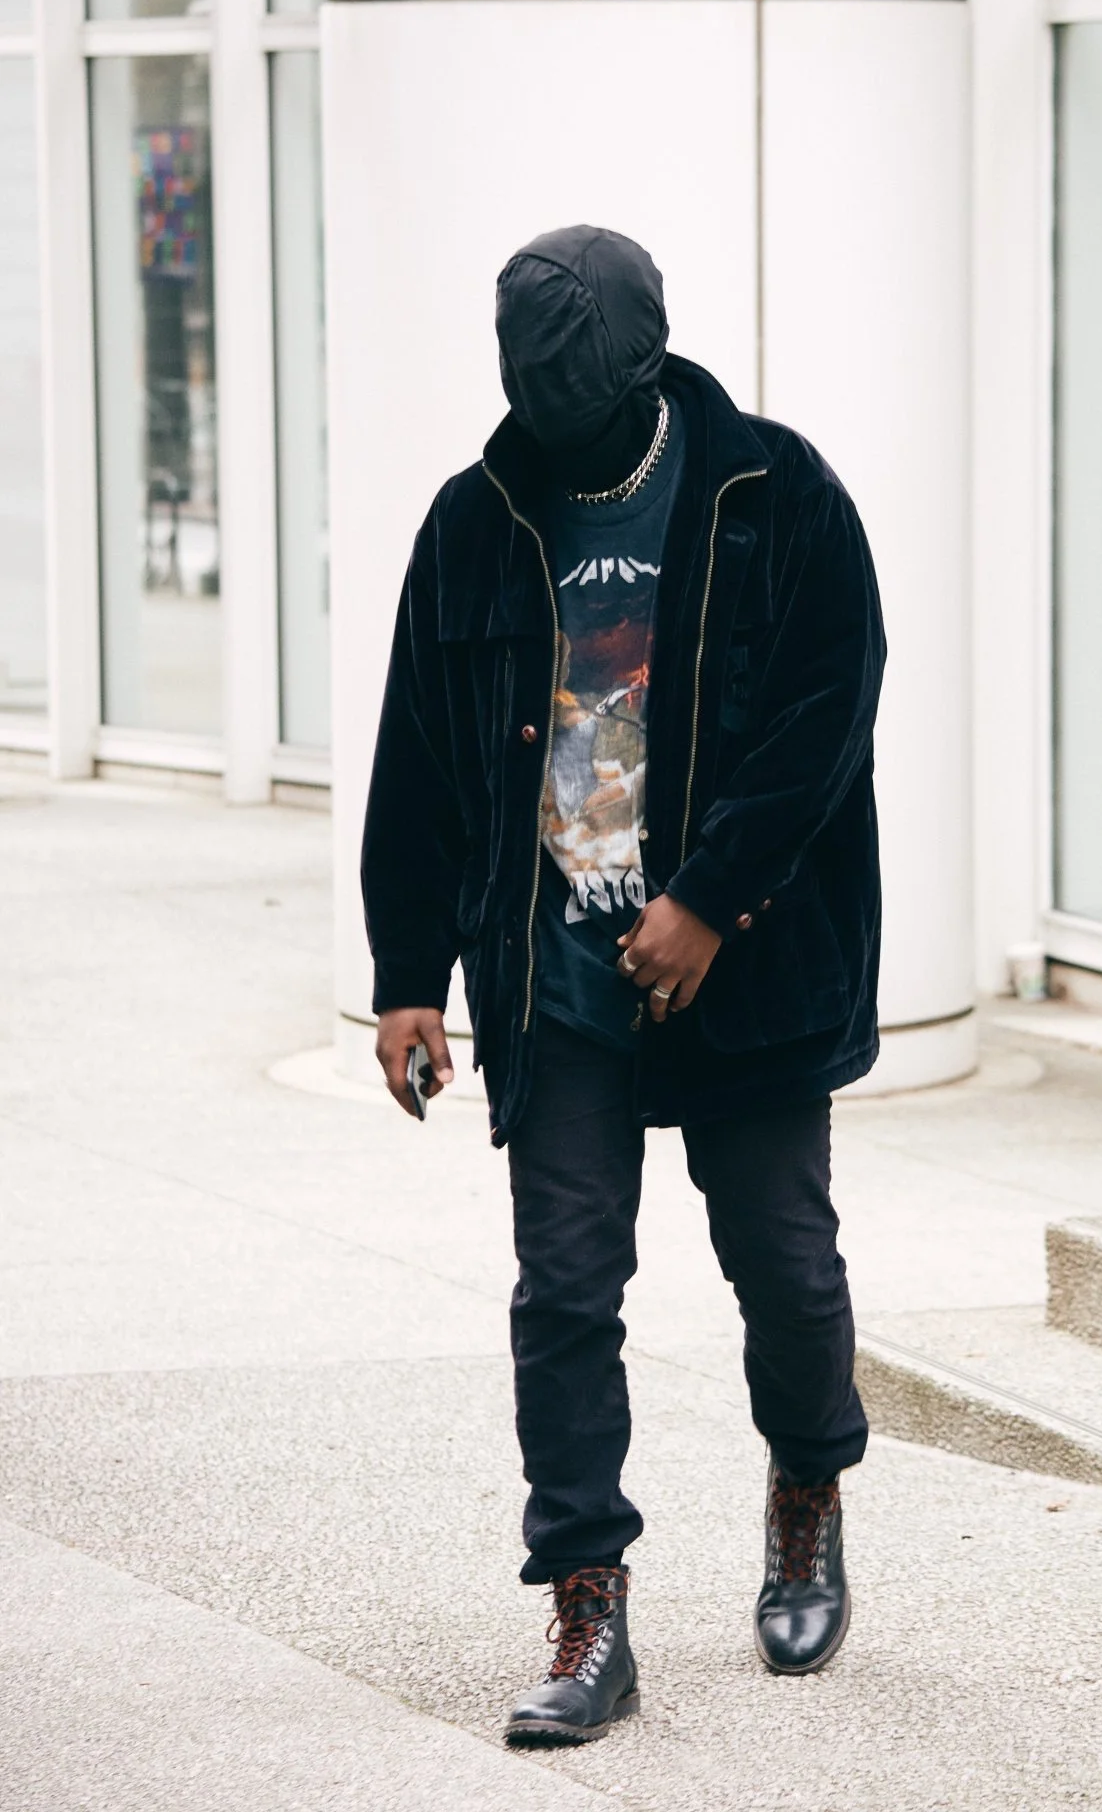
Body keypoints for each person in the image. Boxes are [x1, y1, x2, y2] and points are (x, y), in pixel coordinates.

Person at [362, 224, 886, 1745]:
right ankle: (590, 1599)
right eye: (532, 389)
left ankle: (805, 1485)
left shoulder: (772, 492)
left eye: (578, 392)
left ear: (646, 363)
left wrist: (710, 898)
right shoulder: (475, 522)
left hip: (747, 961)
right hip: (553, 969)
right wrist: (406, 976)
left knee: (785, 1263)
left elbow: (824, 718)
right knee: (568, 1291)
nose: (551, 416)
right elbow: (420, 760)